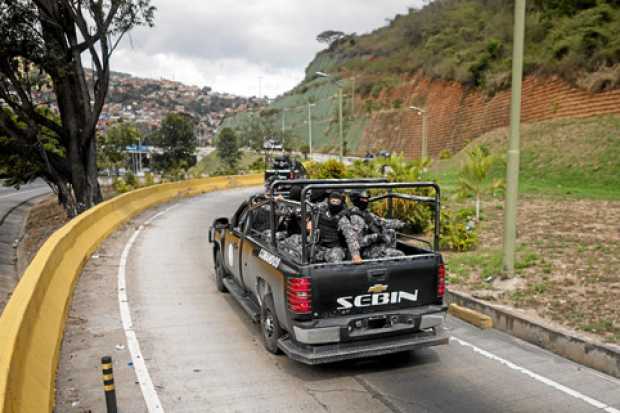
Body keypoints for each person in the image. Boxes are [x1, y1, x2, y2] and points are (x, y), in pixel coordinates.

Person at [348, 189, 405, 259]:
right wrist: (376, 236)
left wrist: (400, 223)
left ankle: (387, 254)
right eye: (363, 199)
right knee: (400, 255)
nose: (366, 201)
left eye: (367, 199)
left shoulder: (365, 213)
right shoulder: (354, 218)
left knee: (390, 231)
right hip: (364, 251)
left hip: (373, 246)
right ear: (356, 200)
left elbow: (382, 222)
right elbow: (358, 243)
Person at [314, 191, 362, 263]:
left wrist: (356, 255)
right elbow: (309, 209)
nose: (335, 204)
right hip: (319, 246)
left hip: (335, 248)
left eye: (337, 202)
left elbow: (351, 237)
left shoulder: (342, 218)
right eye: (333, 201)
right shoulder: (321, 210)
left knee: (335, 255)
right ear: (328, 201)